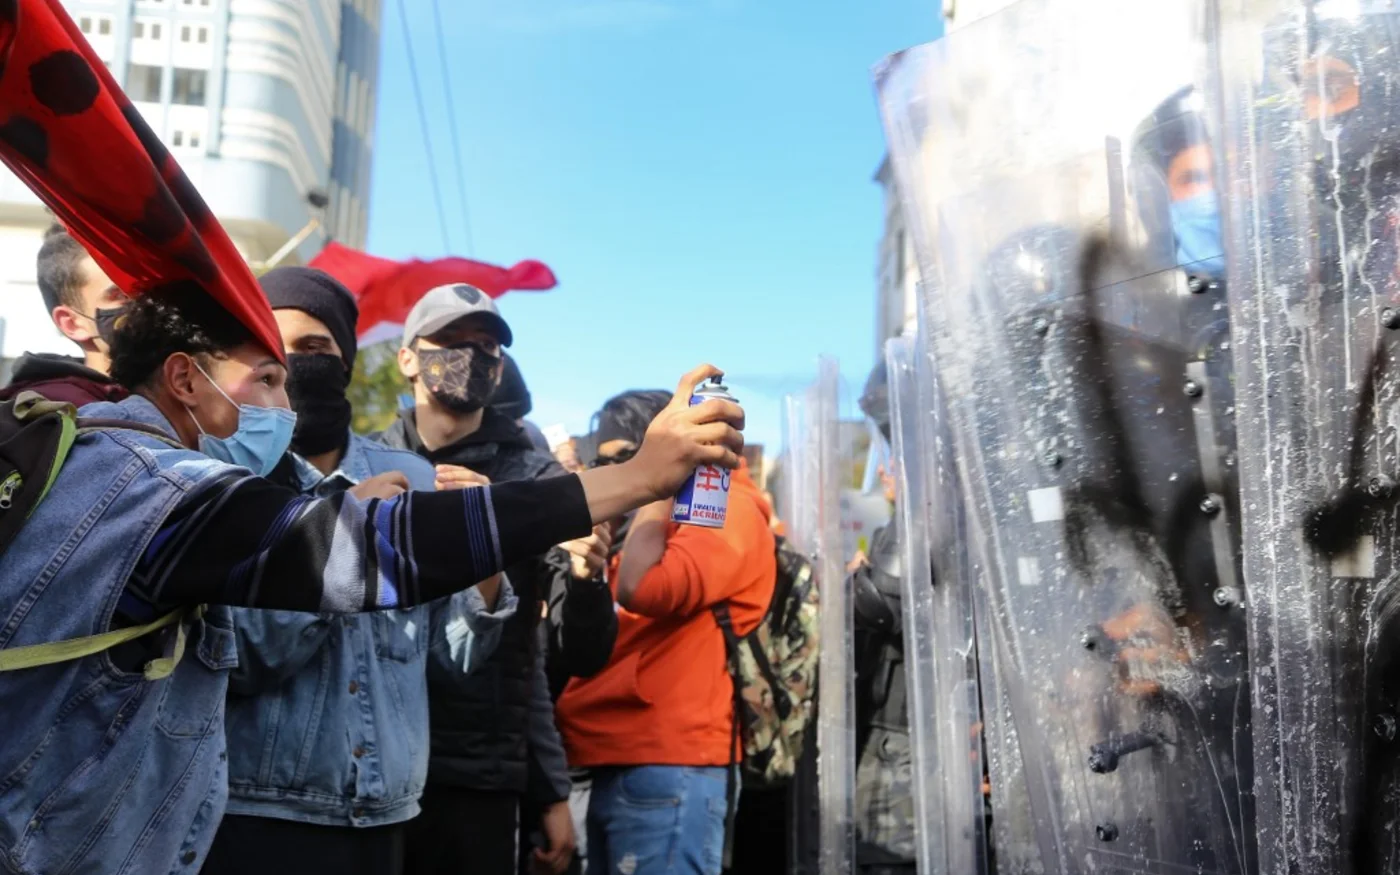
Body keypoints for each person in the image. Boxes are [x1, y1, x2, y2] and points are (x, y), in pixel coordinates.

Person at [0, 286, 744, 875]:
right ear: (185, 377)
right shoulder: (156, 488)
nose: (284, 406)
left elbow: (454, 641)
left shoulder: (120, 463)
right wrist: (636, 478)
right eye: (268, 378)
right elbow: (375, 550)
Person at [202, 267, 516, 875]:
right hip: (257, 812)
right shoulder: (232, 481)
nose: (295, 363)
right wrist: (342, 540)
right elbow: (244, 659)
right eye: (275, 347)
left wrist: (485, 559)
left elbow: (453, 660)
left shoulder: (413, 479)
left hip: (386, 813)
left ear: (344, 359)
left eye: (315, 346)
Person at [376, 283, 617, 875]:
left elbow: (572, 654)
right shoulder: (371, 465)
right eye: (450, 340)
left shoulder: (538, 482)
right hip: (371, 758)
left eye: (486, 345)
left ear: (501, 367)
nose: (469, 356)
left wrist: (587, 576)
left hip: (476, 773)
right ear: (407, 358)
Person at [555, 389, 777, 875]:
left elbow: (643, 589)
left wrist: (654, 489)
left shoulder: (722, 505)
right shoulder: (654, 520)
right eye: (606, 462)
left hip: (673, 762)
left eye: (630, 457)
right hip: (619, 757)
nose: (619, 474)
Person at [847, 363, 916, 875]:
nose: (887, 469)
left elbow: (882, 604)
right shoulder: (907, 521)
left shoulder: (926, 515)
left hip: (903, 733)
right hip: (898, 724)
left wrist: (851, 581)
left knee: (887, 858)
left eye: (896, 456)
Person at [0, 223, 129, 405]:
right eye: (122, 295)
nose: (145, 303)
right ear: (72, 323)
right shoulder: (57, 412)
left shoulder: (164, 396)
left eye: (146, 289)